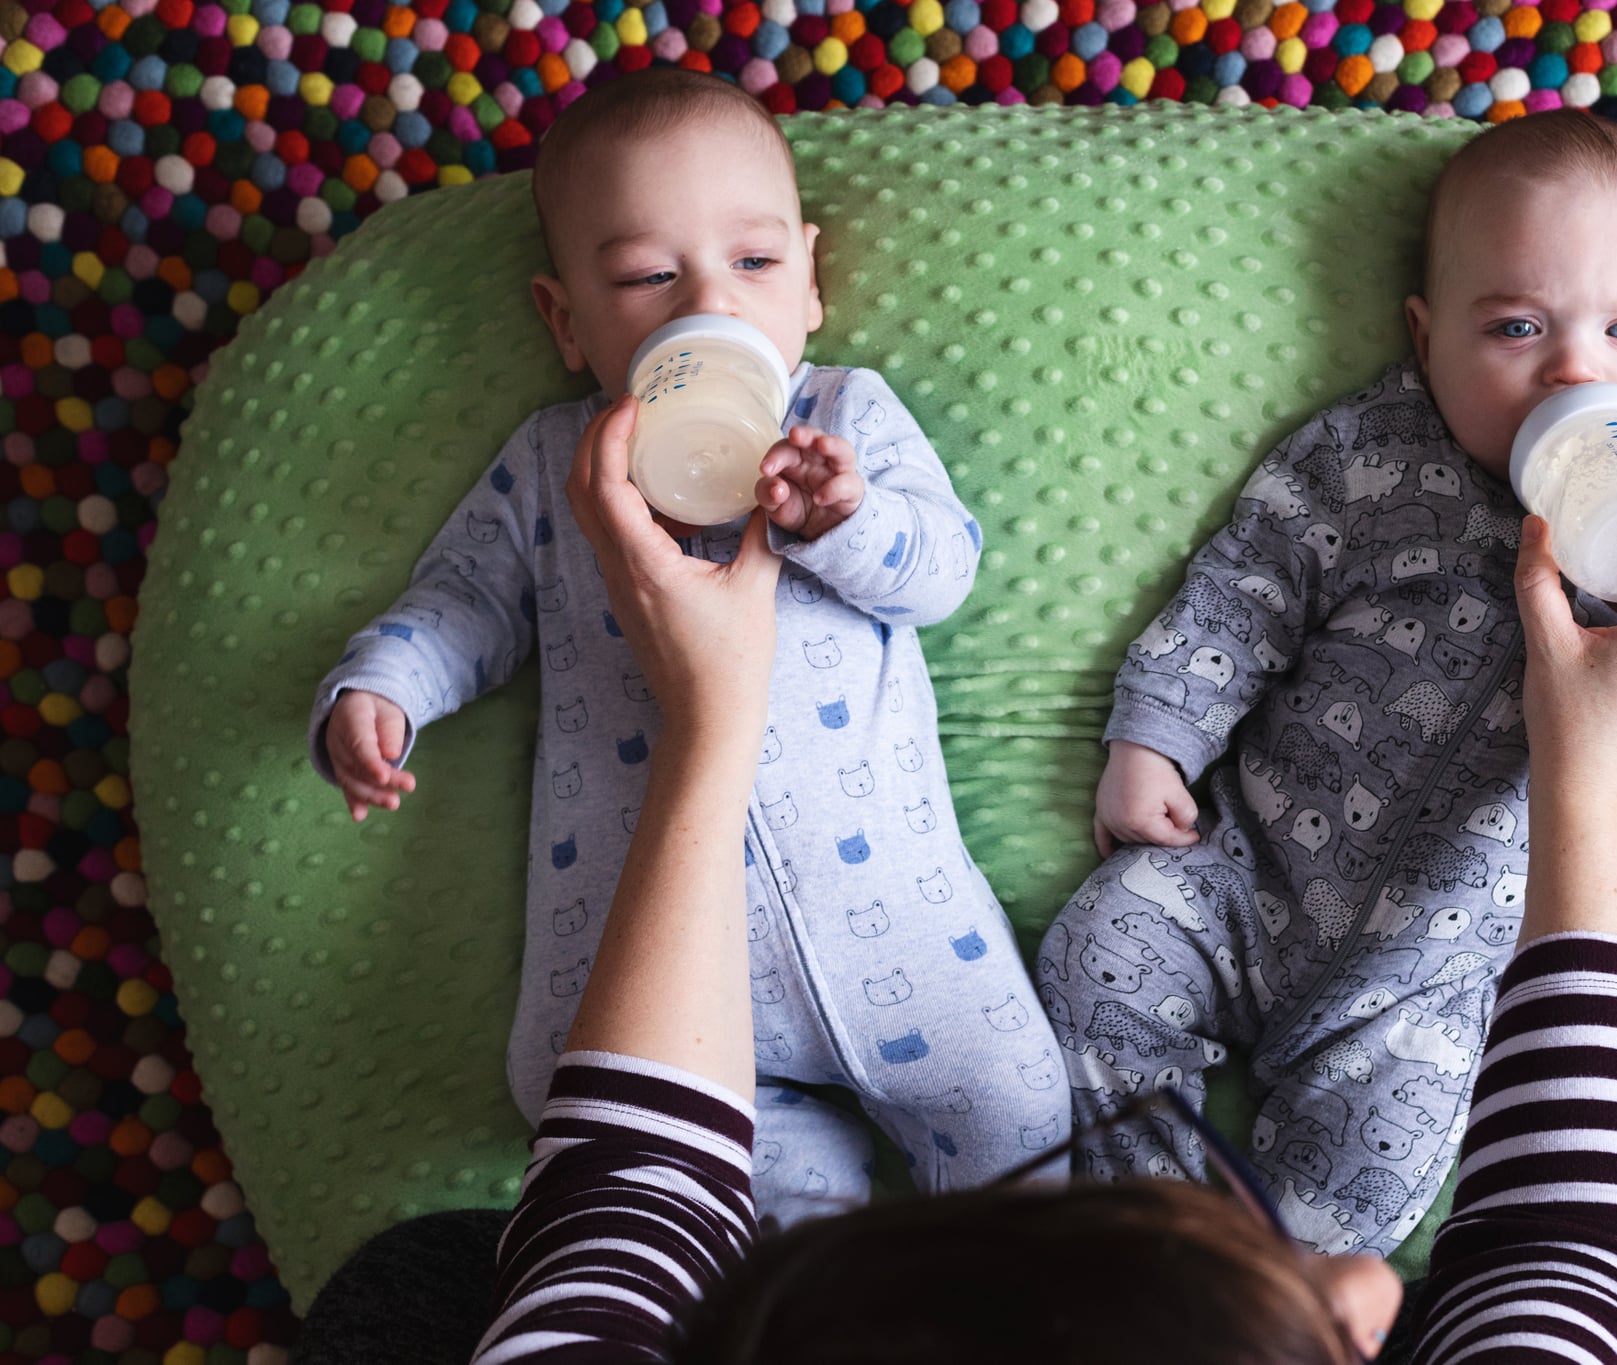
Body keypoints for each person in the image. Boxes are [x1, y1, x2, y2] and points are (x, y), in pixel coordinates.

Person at [466, 380, 1617, 1365]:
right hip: (1284, 891)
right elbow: (1574, 1266)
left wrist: (708, 723)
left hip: (1386, 950)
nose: (1382, 1294)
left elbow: (616, 1198)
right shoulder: (1389, 461)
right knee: (1119, 955)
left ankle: (1164, 1228)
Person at [1032, 108, 1617, 1250]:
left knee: (1378, 1151)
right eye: (1514, 326)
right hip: (1246, 873)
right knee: (1102, 950)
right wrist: (1154, 735)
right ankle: (1144, 1237)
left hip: (1422, 974)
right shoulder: (1365, 457)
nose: (1573, 369)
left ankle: (1275, 1287)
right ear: (1425, 334)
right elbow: (1245, 589)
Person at [300, 67, 1064, 1216]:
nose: (706, 307)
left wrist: (849, 523)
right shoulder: (555, 467)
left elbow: (941, 570)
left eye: (753, 265)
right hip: (653, 977)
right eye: (647, 277)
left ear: (808, 281)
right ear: (565, 320)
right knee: (759, 1242)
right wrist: (383, 687)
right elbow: (461, 602)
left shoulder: (841, 419)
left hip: (907, 949)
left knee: (1017, 1115)